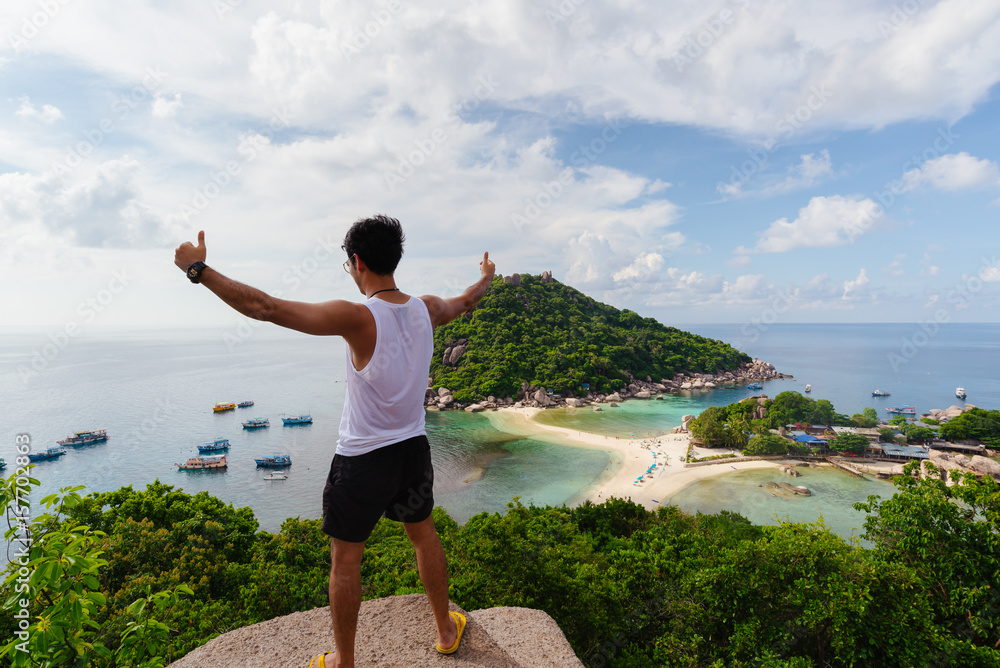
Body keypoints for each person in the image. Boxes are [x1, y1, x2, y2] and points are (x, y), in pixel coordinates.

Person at [173, 215, 496, 668]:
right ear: (394, 259)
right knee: (424, 537)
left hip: (363, 458)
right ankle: (446, 630)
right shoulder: (427, 309)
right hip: (413, 450)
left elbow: (265, 307)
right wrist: (487, 276)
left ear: (357, 262)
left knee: (345, 562)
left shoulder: (357, 317)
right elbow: (467, 301)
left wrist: (197, 270)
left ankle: (345, 663)